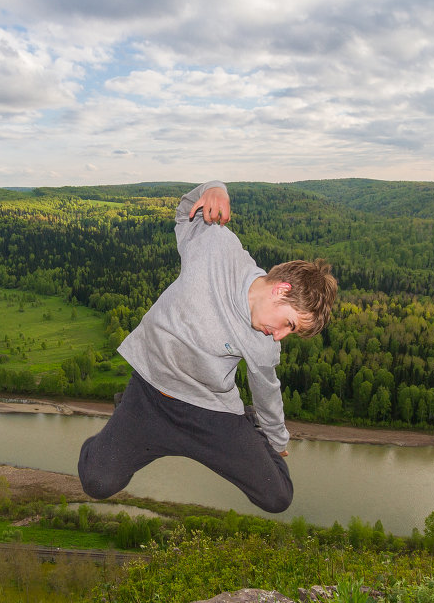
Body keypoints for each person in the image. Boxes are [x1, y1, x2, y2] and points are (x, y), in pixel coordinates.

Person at [78, 180, 337, 513]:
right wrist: (215, 188)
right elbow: (185, 211)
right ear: (281, 290)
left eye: (290, 333)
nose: (279, 336)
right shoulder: (216, 249)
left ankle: (247, 425)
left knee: (278, 497)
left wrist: (276, 439)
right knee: (97, 481)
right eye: (289, 324)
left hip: (209, 412)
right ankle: (120, 419)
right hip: (150, 395)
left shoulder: (263, 340)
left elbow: (267, 391)